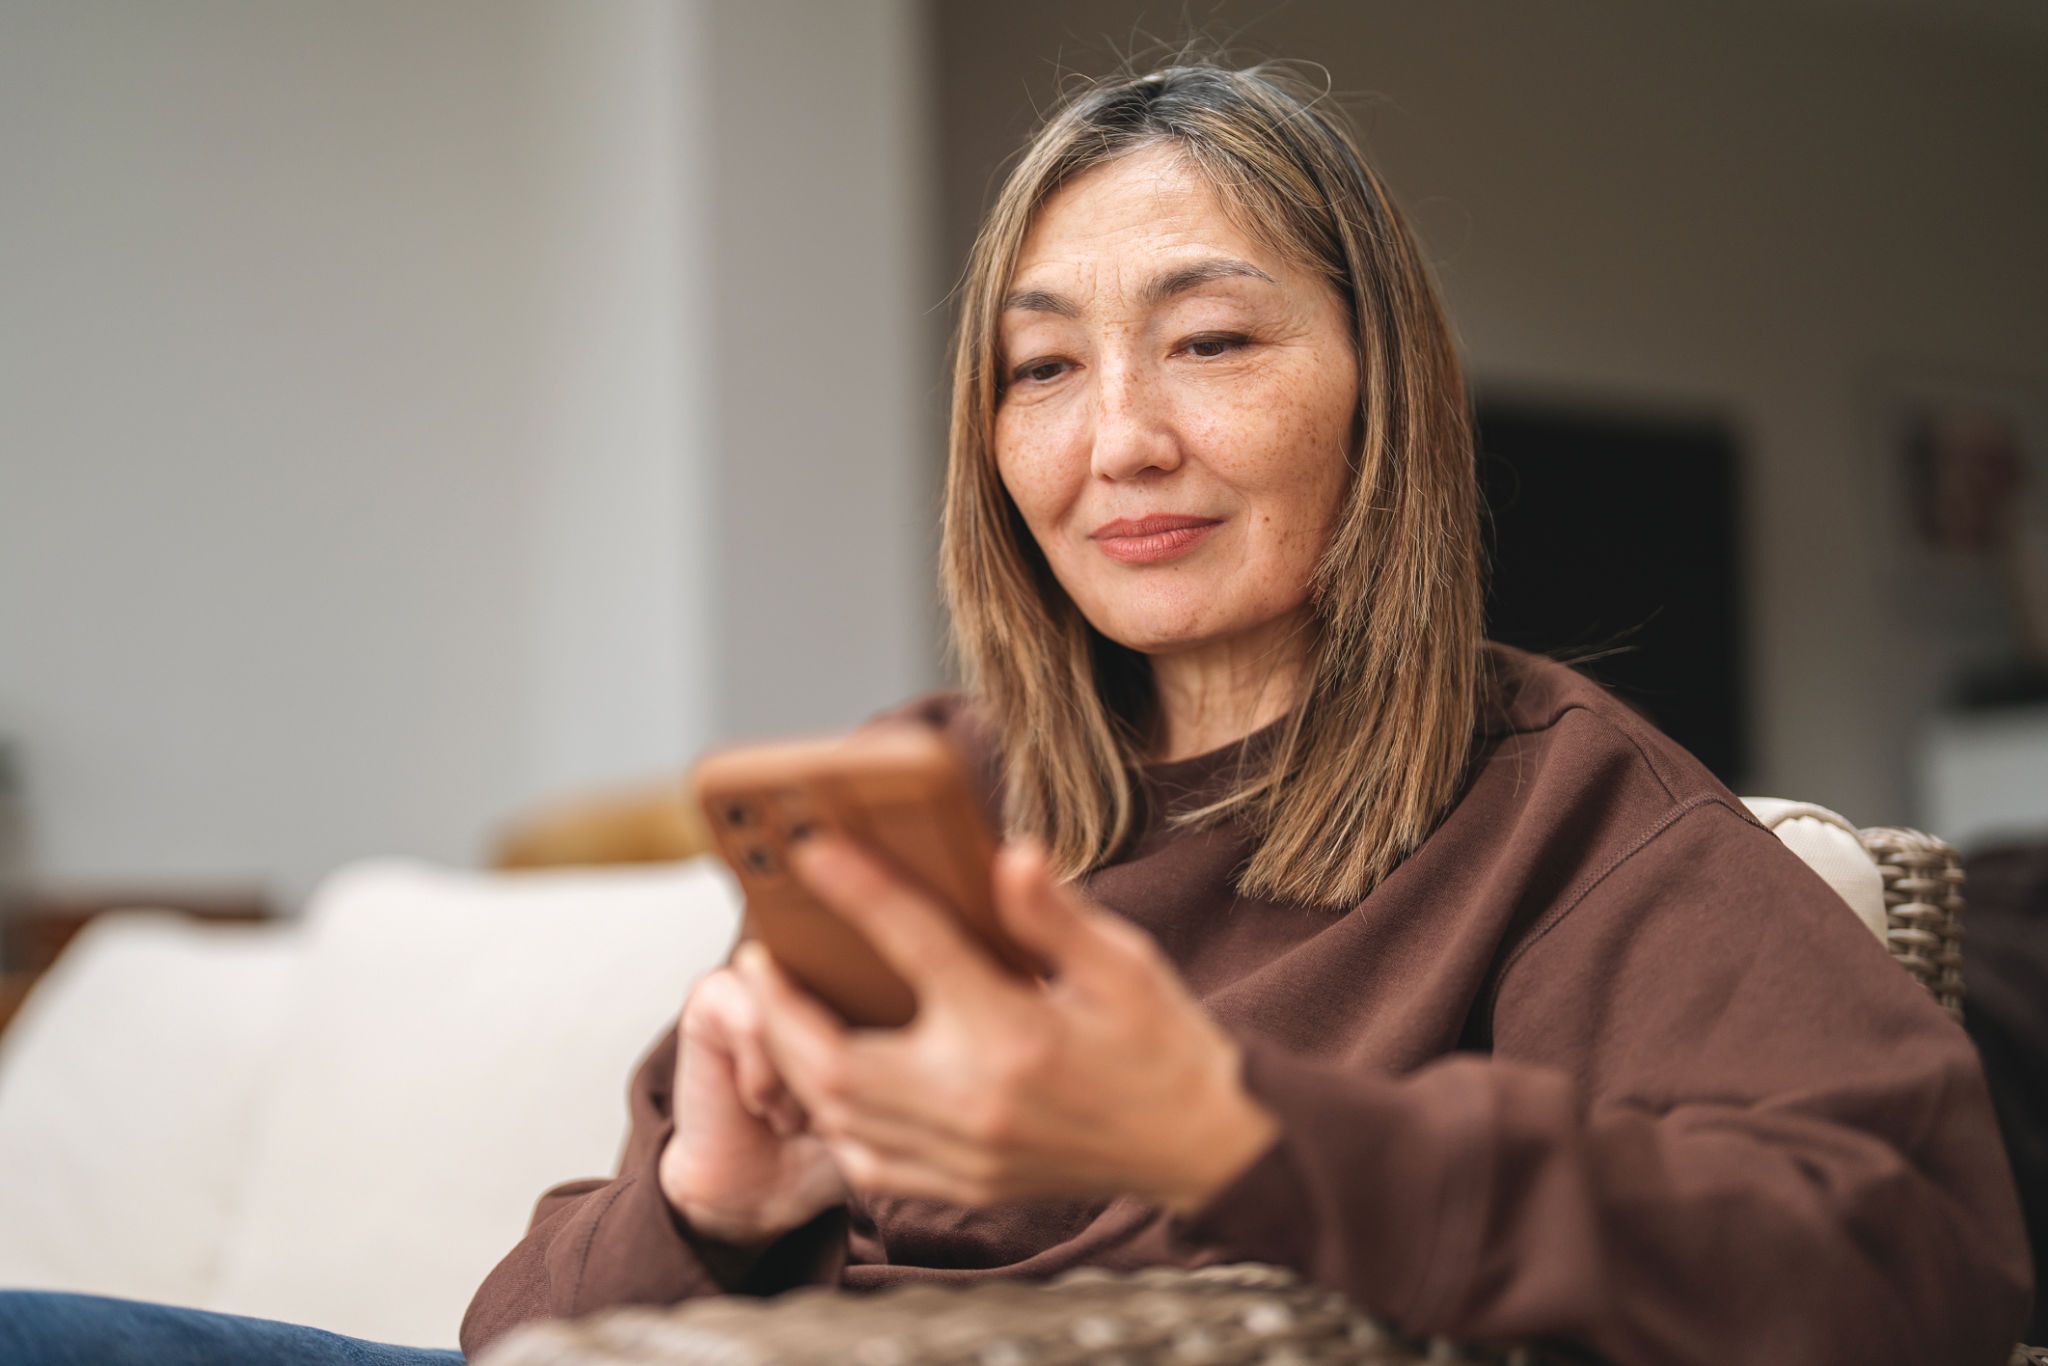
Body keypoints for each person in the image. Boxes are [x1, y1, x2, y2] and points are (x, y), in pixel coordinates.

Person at [459, 59, 2031, 1366]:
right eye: (1043, 367)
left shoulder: (1558, 812)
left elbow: (1918, 1257)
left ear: (1382, 386)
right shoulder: (922, 780)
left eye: (1210, 343)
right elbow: (510, 1332)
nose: (1120, 439)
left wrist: (1229, 1133)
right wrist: (710, 1205)